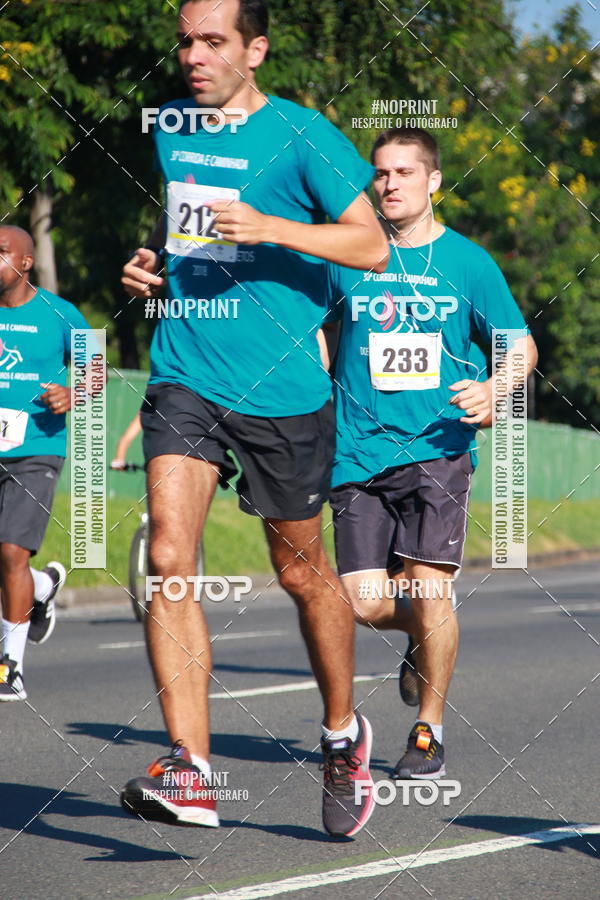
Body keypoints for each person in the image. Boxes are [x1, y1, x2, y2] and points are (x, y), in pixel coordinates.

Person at [119, 0, 389, 837]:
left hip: (282, 394)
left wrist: (274, 227)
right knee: (168, 555)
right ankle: (192, 770)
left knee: (304, 577)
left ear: (255, 50)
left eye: (213, 41)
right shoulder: (170, 127)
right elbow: (190, 229)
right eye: (185, 42)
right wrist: (152, 266)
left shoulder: (304, 136)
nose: (193, 57)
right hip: (186, 373)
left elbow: (372, 244)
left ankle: (343, 735)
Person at [325, 127, 537, 780]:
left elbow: (521, 347)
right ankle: (423, 639)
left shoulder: (468, 264)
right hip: (356, 453)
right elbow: (323, 340)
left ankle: (428, 731)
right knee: (358, 601)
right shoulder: (348, 257)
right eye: (380, 174)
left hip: (438, 449)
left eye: (403, 173)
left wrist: (496, 386)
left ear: (433, 181)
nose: (388, 185)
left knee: (427, 586)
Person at [0, 225, 90, 699]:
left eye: (0, 252)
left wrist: (73, 392)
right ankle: (41, 587)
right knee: (4, 560)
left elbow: (98, 369)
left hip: (36, 449)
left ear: (25, 263)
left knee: (12, 551)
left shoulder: (60, 315)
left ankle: (10, 666)